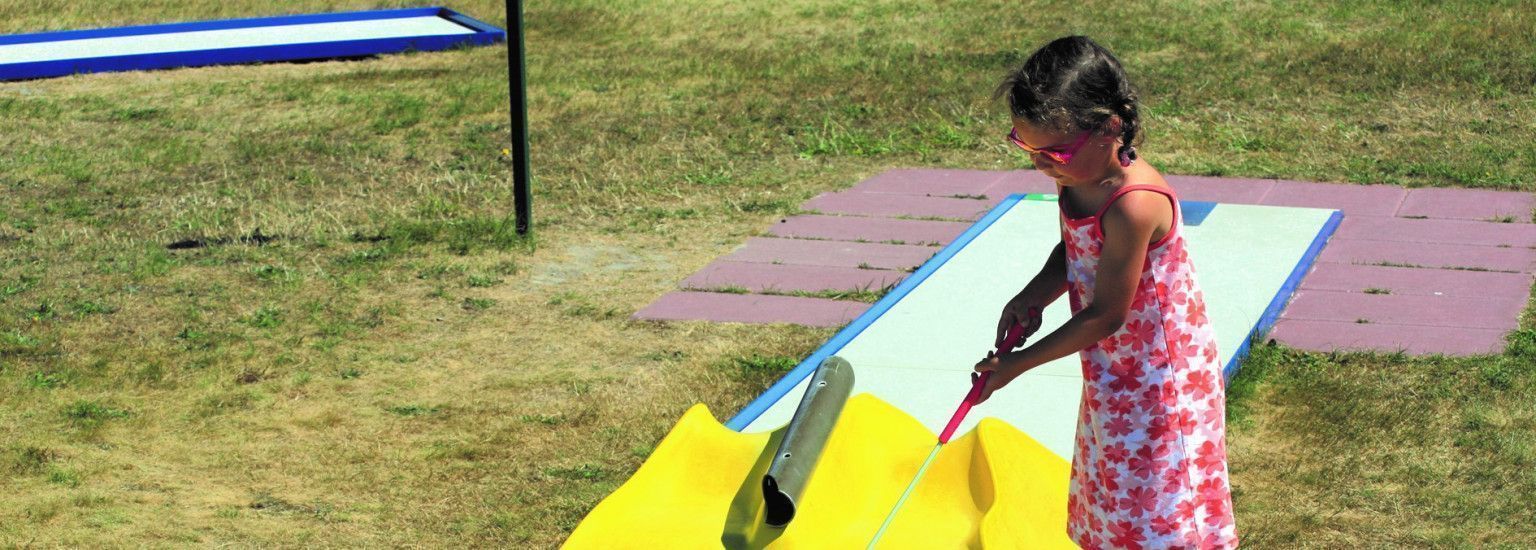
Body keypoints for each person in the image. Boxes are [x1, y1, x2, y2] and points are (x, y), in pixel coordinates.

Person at [971, 35, 1239, 549]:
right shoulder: (1075, 172)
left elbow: (1107, 314)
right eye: (1025, 147)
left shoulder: (1134, 203)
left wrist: (1017, 364)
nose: (1043, 164)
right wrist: (1034, 295)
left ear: (1110, 127)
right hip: (1116, 370)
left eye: (1054, 151)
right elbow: (1075, 248)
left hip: (1163, 380)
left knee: (1164, 503)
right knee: (1118, 492)